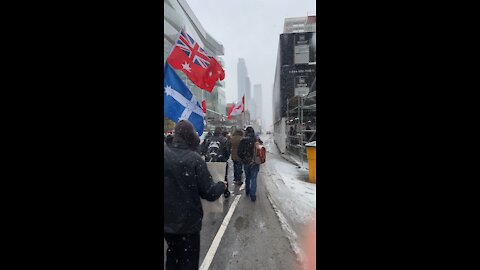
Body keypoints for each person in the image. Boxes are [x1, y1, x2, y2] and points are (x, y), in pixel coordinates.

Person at [164, 120, 226, 270]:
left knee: (172, 257)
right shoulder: (195, 160)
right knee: (188, 263)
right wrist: (221, 185)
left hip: (168, 222)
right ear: (190, 136)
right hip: (189, 225)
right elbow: (209, 193)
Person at [204, 127, 231, 198]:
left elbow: (203, 149)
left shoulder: (208, 139)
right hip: (221, 161)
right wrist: (225, 158)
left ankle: (212, 191)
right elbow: (227, 151)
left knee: (211, 176)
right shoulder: (224, 139)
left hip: (210, 161)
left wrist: (207, 158)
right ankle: (225, 191)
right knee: (223, 177)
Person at [238, 126, 261, 202]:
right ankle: (253, 195)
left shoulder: (243, 141)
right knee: (254, 178)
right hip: (255, 162)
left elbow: (239, 152)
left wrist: (244, 158)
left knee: (247, 177)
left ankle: (247, 191)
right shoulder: (256, 140)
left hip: (246, 162)